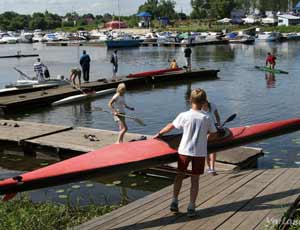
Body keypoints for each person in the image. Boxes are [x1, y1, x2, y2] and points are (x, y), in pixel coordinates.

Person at [154, 88, 217, 217]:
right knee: (195, 180)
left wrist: (159, 134)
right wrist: (205, 139)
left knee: (179, 176)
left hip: (184, 151)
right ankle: (191, 206)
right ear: (204, 101)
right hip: (199, 153)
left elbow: (171, 125)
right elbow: (214, 134)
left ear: (190, 100)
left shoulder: (183, 115)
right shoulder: (207, 117)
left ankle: (174, 201)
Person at [202, 101, 221, 176]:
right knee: (207, 149)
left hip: (213, 129)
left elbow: (217, 116)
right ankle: (209, 167)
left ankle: (212, 167)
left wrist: (219, 124)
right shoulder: (198, 107)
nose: (204, 104)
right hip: (204, 129)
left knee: (212, 149)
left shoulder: (212, 105)